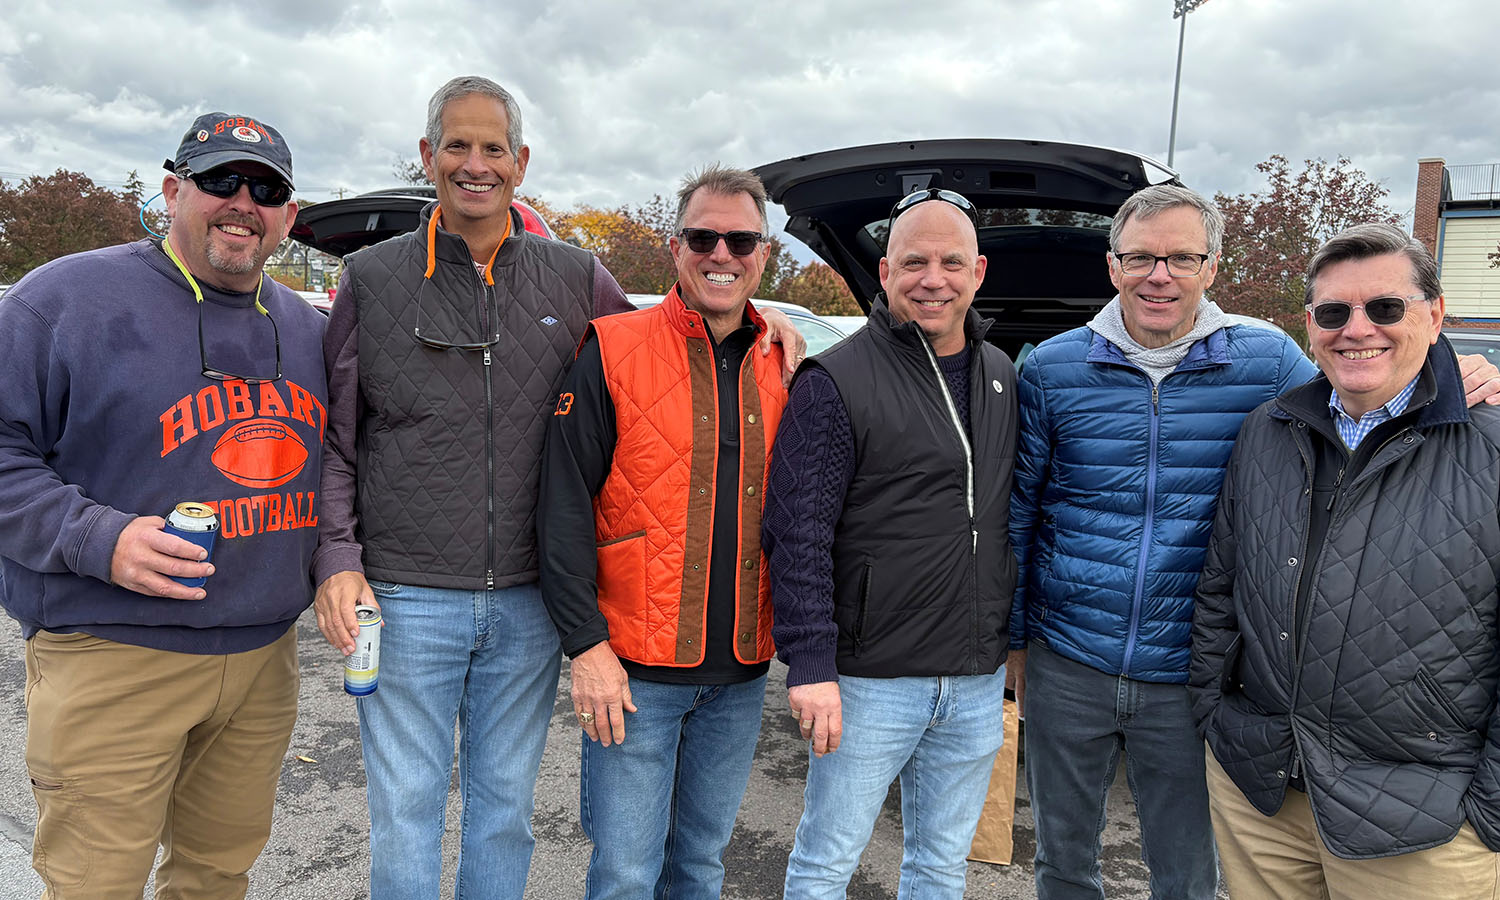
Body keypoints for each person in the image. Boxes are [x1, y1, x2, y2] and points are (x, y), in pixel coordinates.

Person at [312, 77, 804, 898]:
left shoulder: (576, 278)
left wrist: (767, 326)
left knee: (505, 810)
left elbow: (667, 337)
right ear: (428, 157)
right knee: (405, 809)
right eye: (458, 146)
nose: (477, 164)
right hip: (406, 594)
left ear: (522, 162)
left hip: (529, 604)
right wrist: (336, 557)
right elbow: (337, 438)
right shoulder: (372, 278)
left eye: (494, 148)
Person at [1009, 185, 1500, 899]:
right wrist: (1017, 640)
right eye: (1141, 257)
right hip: (1068, 662)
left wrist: (1456, 374)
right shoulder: (1052, 369)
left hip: (1182, 675)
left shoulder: (1267, 360)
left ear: (1213, 267)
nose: (1160, 275)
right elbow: (1021, 510)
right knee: (1062, 860)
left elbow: (1365, 390)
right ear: (1113, 266)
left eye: (1182, 256)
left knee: (1187, 871)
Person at [0, 111, 323, 897]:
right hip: (114, 653)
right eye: (220, 181)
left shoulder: (306, 326)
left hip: (261, 662)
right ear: (173, 190)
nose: (242, 201)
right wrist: (95, 537)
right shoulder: (64, 300)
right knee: (95, 886)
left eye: (266, 188)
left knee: (217, 877)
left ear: (288, 214)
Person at [1190, 223, 1500, 899]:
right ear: (1310, 326)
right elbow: (1221, 588)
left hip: (1423, 825)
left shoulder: (1491, 449)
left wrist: (1490, 817)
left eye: (1384, 307)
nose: (1358, 328)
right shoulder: (1266, 434)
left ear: (1435, 313)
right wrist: (1214, 721)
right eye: (1334, 312)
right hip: (1263, 798)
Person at [539, 164, 789, 899]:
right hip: (634, 675)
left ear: (763, 255)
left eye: (740, 240)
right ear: (675, 247)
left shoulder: (786, 361)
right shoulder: (610, 348)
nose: (723, 254)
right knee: (623, 874)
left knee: (700, 868)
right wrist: (586, 647)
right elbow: (561, 509)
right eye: (703, 237)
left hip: (740, 677)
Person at [764, 188, 1017, 898]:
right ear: (883, 273)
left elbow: (1005, 519)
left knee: (939, 866)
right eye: (913, 262)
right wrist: (811, 662)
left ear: (978, 272)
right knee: (825, 864)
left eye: (949, 262)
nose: (931, 279)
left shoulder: (1001, 375)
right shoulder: (836, 381)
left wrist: (1011, 643)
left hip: (973, 681)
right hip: (871, 682)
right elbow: (797, 531)